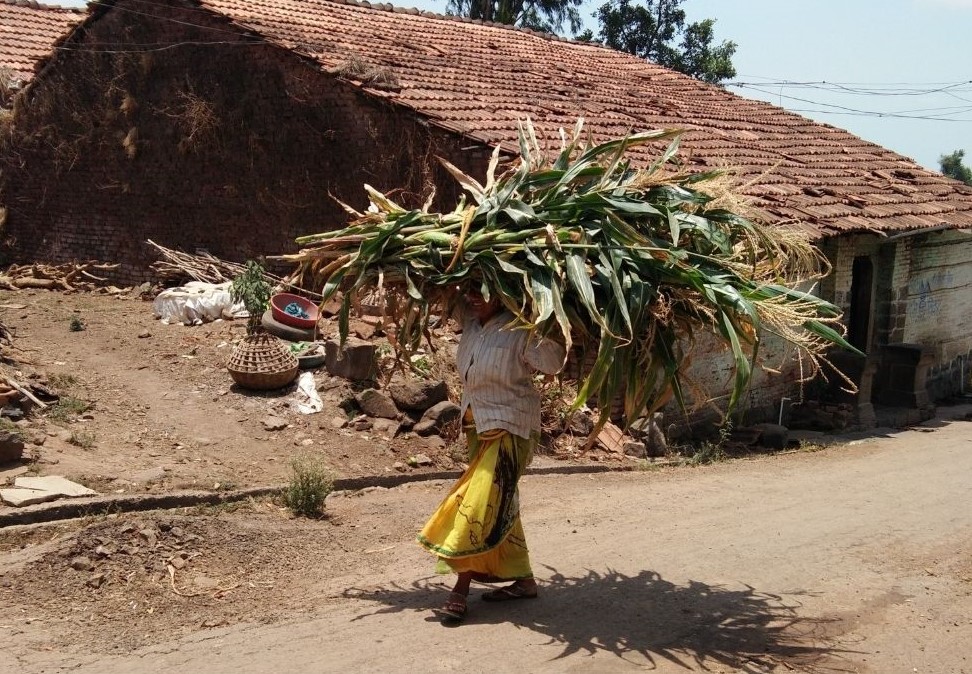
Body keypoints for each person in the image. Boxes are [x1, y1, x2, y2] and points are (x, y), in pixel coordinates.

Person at [417, 286, 565, 624]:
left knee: (478, 502)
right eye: (471, 288)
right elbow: (437, 291)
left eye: (485, 289)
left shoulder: (519, 329)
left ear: (503, 293)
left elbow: (553, 364)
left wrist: (549, 319)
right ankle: (523, 579)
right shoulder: (469, 323)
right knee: (499, 503)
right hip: (477, 426)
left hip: (511, 428)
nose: (475, 295)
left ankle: (461, 588)